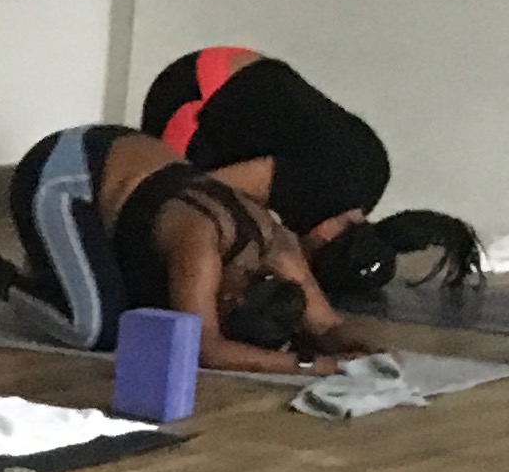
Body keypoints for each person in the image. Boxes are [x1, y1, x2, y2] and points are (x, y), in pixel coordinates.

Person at [0, 126, 373, 376]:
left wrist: (369, 355)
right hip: (62, 174)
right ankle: (1, 278)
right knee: (97, 330)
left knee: (144, 311)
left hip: (127, 172)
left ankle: (61, 274)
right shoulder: (201, 243)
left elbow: (327, 325)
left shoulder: (279, 248)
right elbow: (204, 348)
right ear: (231, 296)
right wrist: (308, 367)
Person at [136, 48, 483, 298]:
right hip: (195, 91)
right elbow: (194, 189)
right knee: (177, 207)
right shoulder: (310, 192)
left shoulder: (373, 180)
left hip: (241, 62)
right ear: (322, 243)